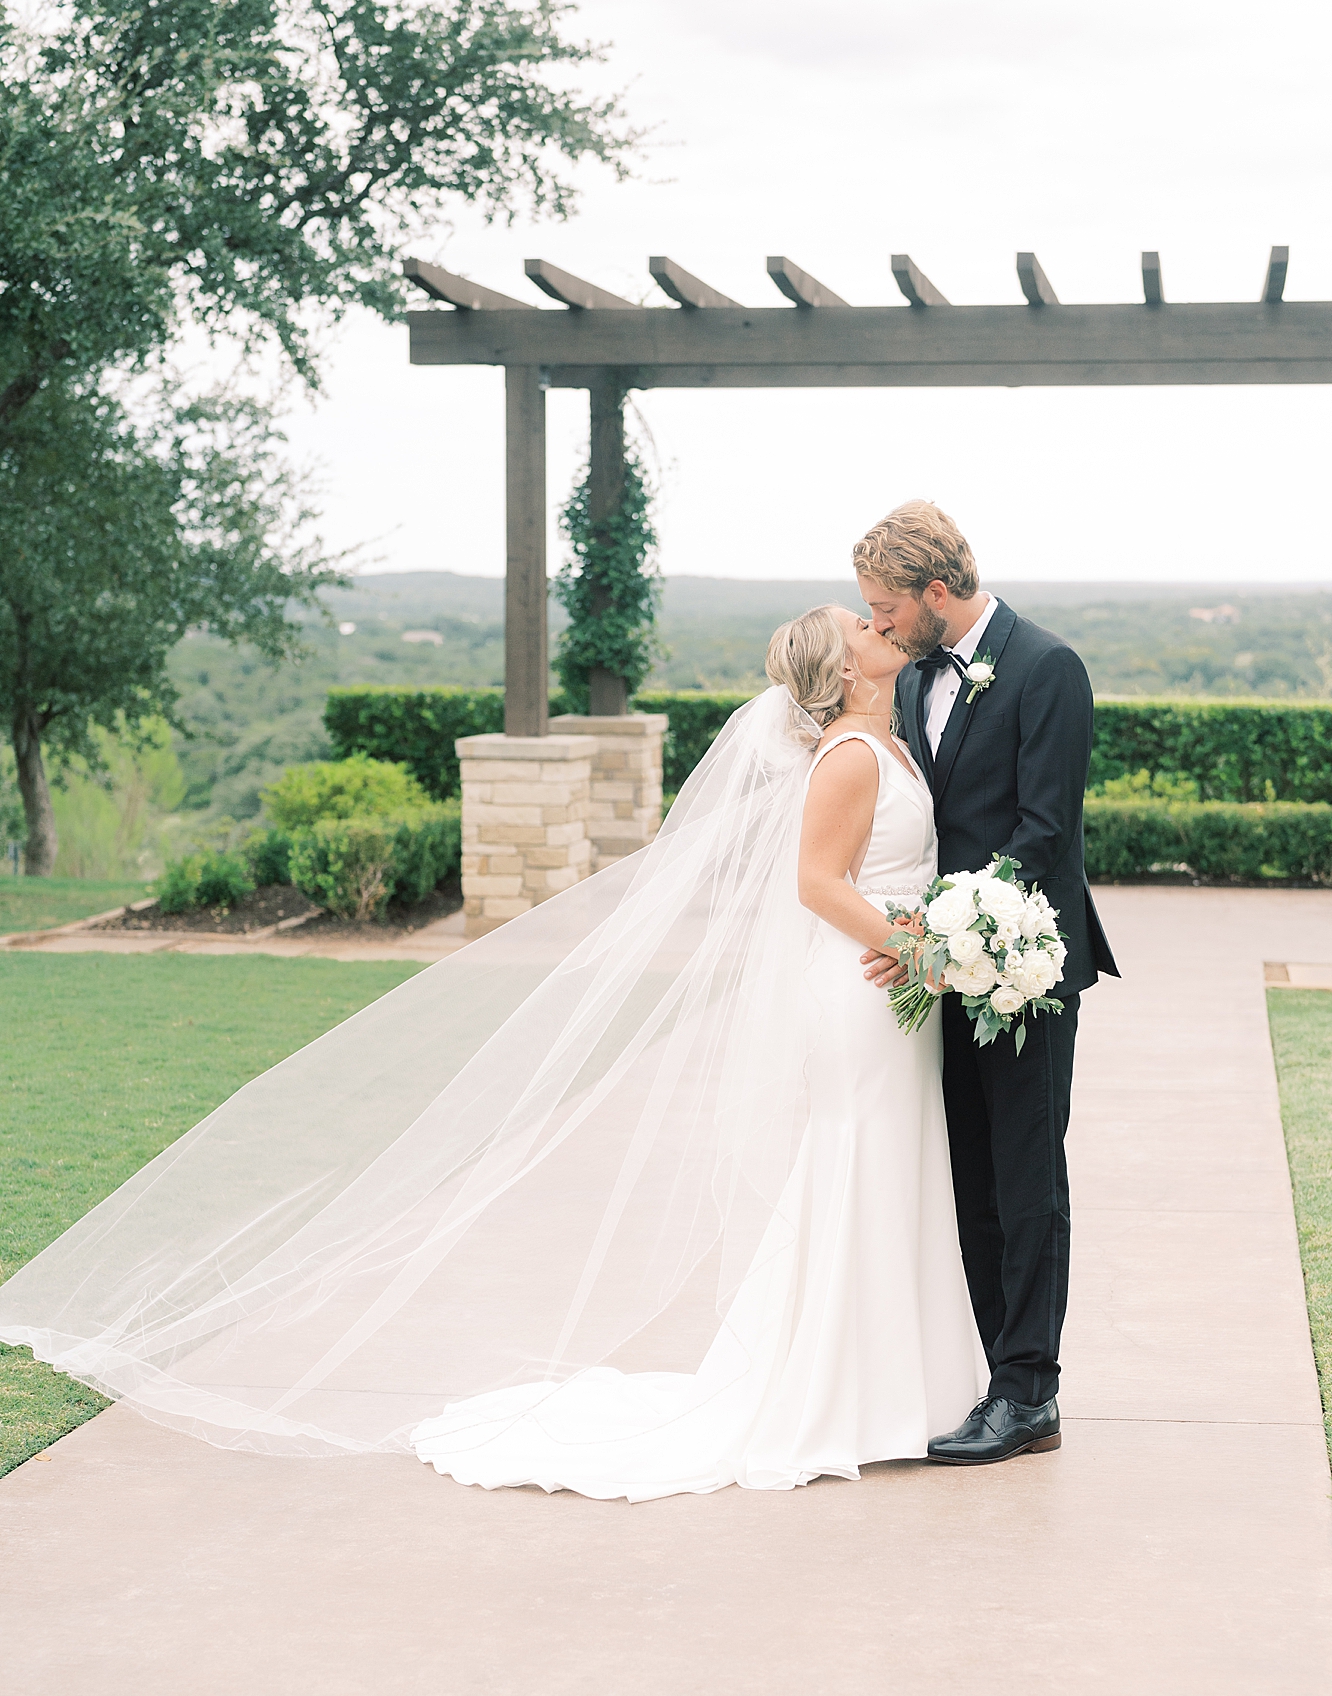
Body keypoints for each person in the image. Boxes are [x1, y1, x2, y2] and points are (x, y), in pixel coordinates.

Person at [0, 604, 986, 1499]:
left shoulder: (885, 739)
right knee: (855, 1164)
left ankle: (895, 1381)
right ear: (843, 668)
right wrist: (918, 945)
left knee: (890, 1163)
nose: (876, 623)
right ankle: (841, 1391)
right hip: (867, 988)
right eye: (859, 622)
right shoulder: (849, 758)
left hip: (894, 987)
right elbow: (817, 883)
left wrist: (935, 939)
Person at [854, 501, 1119, 1466]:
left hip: (1028, 968)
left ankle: (1030, 1392)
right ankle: (996, 1379)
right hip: (944, 973)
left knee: (1026, 1178)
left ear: (936, 591)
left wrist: (942, 934)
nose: (877, 623)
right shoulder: (915, 673)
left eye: (887, 606)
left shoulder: (1047, 669)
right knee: (971, 1179)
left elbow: (1041, 833)